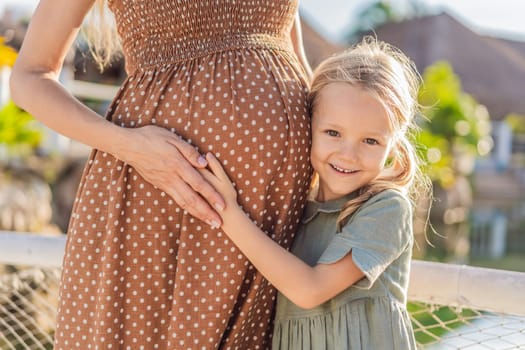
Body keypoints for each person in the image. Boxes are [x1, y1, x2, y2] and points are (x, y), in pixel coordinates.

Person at [10, 0, 313, 348]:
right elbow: (29, 78)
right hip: (160, 194)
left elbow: (293, 55)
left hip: (277, 209)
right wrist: (130, 146)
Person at [200, 36, 431, 350]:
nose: (348, 155)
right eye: (333, 133)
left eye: (370, 141)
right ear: (308, 127)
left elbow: (310, 290)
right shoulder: (295, 209)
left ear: (393, 150)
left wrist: (228, 213)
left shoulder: (386, 208)